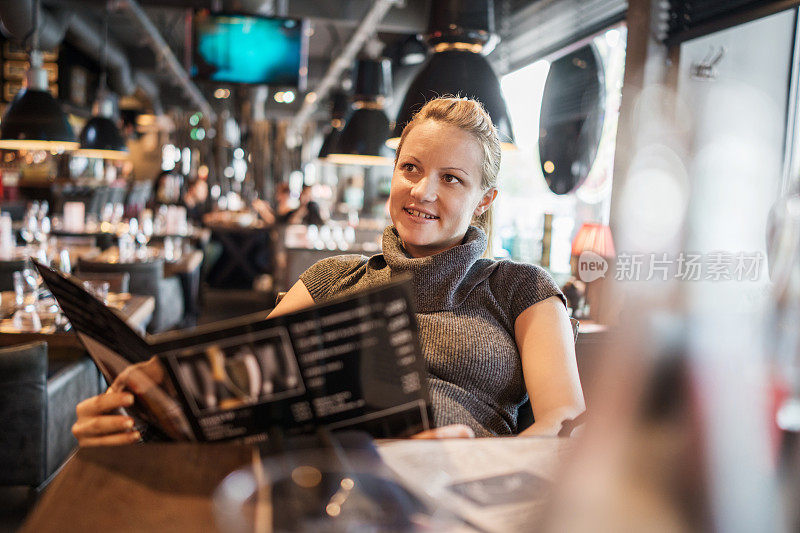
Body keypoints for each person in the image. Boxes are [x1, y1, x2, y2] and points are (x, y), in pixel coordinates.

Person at [72, 97, 584, 445]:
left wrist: (473, 460)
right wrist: (142, 416)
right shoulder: (334, 277)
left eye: (451, 179)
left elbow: (564, 424)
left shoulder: (520, 289)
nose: (423, 191)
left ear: (483, 201)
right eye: (411, 168)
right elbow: (240, 392)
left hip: (459, 498)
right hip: (332, 485)